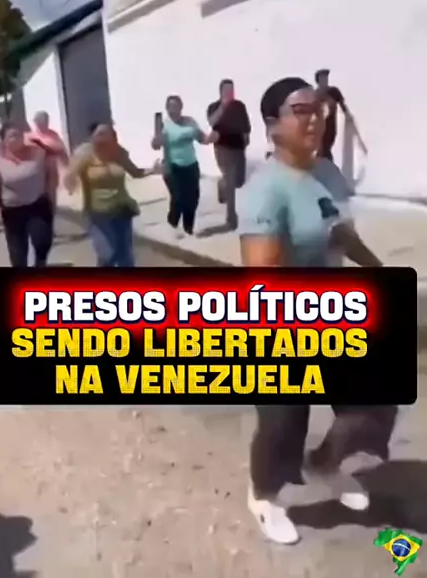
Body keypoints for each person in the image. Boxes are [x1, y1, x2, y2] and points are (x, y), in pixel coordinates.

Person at [237, 77, 397, 545]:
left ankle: (325, 463)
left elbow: (339, 232)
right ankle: (264, 496)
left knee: (374, 406)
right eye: (301, 110)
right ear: (273, 126)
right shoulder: (265, 190)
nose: (314, 119)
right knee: (283, 423)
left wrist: (378, 270)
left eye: (319, 110)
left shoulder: (327, 173)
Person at [64, 123, 160, 267]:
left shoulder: (118, 153)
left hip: (121, 208)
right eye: (99, 135)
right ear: (93, 138)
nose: (103, 140)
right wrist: (70, 185)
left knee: (125, 255)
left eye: (108, 136)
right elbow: (70, 176)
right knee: (107, 254)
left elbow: (135, 172)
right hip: (98, 212)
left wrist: (153, 170)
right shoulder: (85, 156)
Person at [0, 122, 57, 267]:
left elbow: (52, 175)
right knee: (18, 255)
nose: (17, 138)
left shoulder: (39, 153)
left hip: (38, 205)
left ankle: (40, 265)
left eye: (19, 135)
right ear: (4, 140)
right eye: (12, 136)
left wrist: (51, 197)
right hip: (12, 210)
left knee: (43, 241)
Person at [152, 96, 217, 238]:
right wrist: (157, 139)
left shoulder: (190, 122)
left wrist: (214, 135)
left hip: (191, 165)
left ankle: (188, 229)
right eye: (171, 107)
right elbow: (156, 145)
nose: (173, 110)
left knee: (193, 199)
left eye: (176, 106)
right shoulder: (164, 126)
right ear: (167, 108)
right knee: (178, 198)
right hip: (172, 167)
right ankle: (172, 225)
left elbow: (203, 139)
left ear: (181, 107)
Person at [207, 79, 251, 229]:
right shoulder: (214, 107)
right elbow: (212, 122)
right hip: (223, 148)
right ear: (220, 91)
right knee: (231, 182)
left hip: (239, 147)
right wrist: (223, 106)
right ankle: (231, 219)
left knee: (239, 181)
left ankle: (222, 183)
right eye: (226, 90)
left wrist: (246, 138)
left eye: (231, 89)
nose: (229, 92)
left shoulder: (239, 106)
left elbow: (246, 125)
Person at [314, 69, 366, 161]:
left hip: (331, 128)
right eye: (323, 79)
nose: (325, 81)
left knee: (326, 149)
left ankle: (324, 165)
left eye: (326, 78)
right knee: (322, 151)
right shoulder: (315, 95)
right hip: (319, 128)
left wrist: (347, 115)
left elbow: (342, 105)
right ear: (318, 81)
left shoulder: (334, 92)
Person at [25, 111, 69, 206]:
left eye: (46, 121)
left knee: (52, 191)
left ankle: (51, 209)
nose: (44, 124)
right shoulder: (29, 137)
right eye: (40, 122)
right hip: (36, 169)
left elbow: (62, 150)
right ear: (36, 123)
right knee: (38, 192)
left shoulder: (53, 135)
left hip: (52, 169)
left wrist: (67, 166)